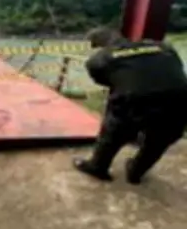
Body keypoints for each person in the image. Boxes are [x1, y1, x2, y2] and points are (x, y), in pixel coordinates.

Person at [73, 27, 187, 184]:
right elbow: (176, 67)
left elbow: (104, 80)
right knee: (160, 139)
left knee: (113, 131)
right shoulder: (162, 46)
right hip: (179, 97)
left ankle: (98, 167)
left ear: (99, 44)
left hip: (134, 100)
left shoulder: (100, 58)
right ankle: (136, 171)